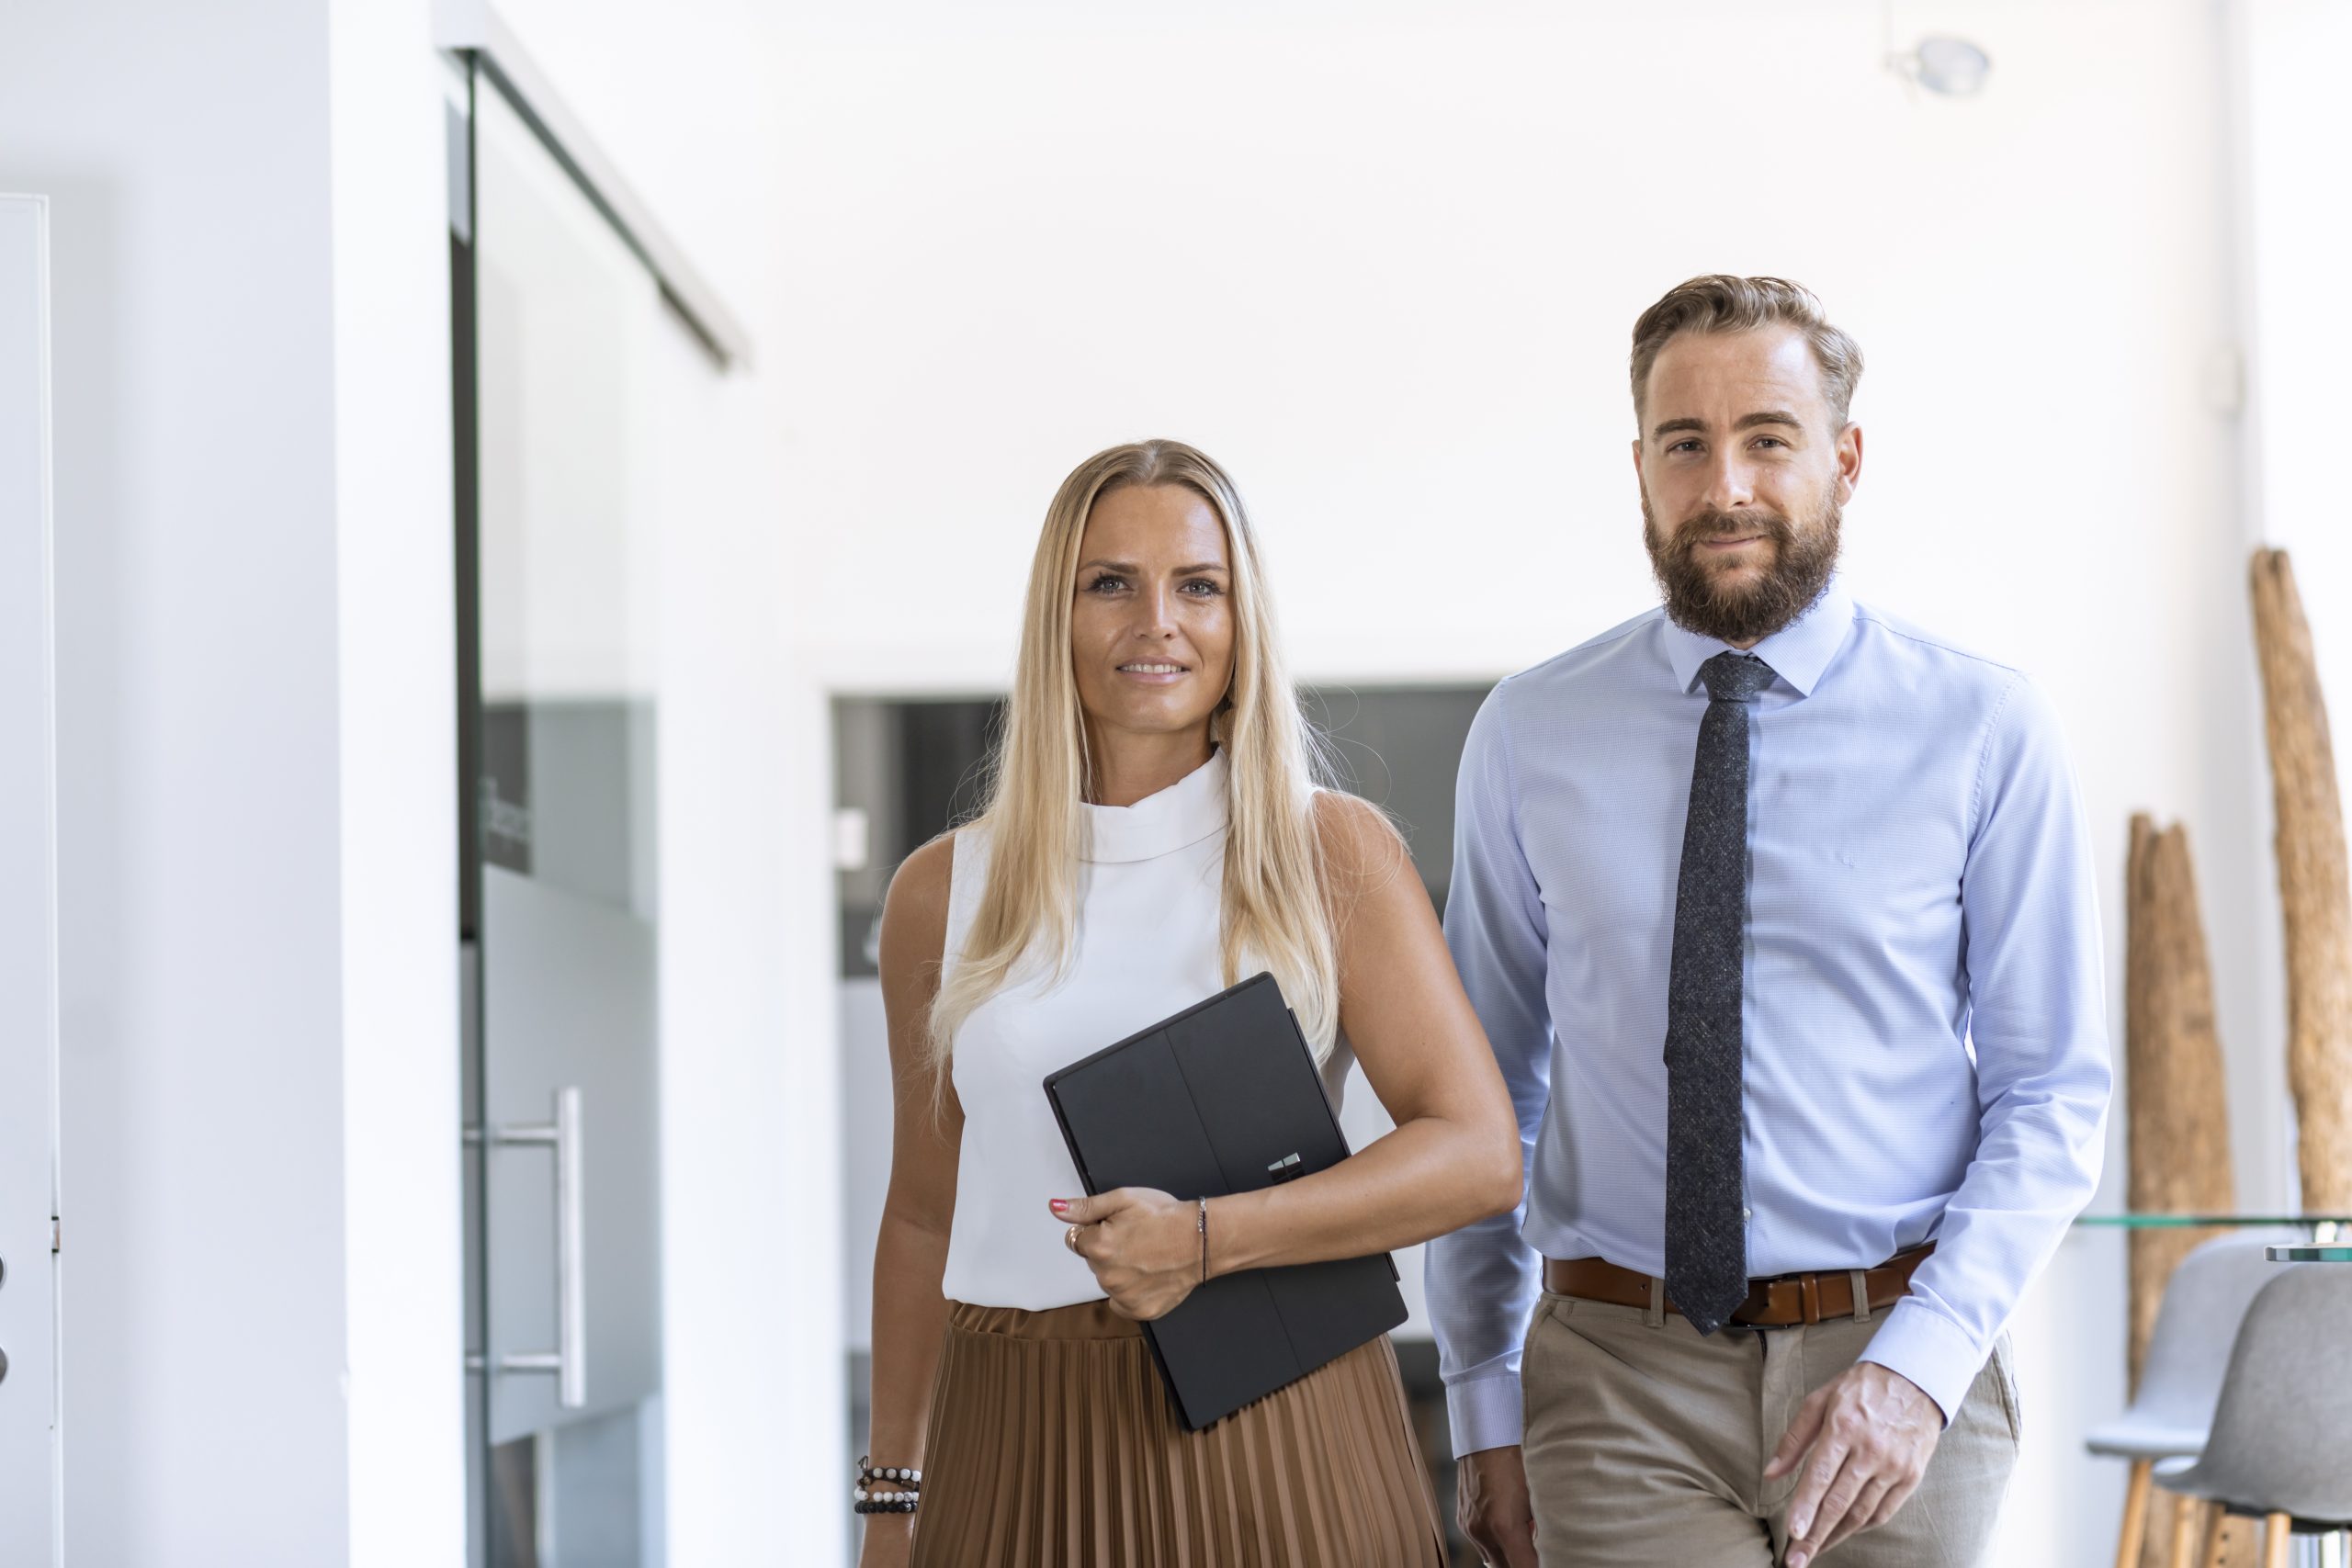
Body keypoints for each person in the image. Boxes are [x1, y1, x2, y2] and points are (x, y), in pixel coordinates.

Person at [1429, 276, 2111, 1568]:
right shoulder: (1529, 733)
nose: (1724, 482)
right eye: (1684, 444)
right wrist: (1481, 1401)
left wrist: (1920, 1364)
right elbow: (1481, 1096)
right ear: (1639, 467)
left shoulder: (1985, 728)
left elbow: (2055, 1093)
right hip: (1616, 1380)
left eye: (1769, 438)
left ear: (1844, 461)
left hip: (1898, 1355)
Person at [860, 439, 1522, 1568]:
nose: (1156, 620)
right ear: (1055, 617)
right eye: (1109, 582)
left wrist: (1208, 1241)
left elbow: (1477, 1153)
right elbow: (923, 1215)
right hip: (1011, 1438)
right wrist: (890, 1496)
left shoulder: (1329, 853)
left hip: (1279, 1429)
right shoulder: (941, 891)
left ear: (1239, 620)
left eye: (1198, 586)